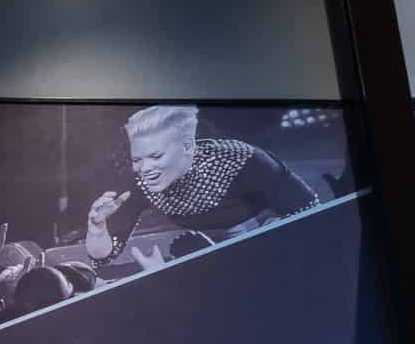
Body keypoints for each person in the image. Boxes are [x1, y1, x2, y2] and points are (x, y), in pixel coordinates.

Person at [82, 104, 317, 268]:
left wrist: (264, 245)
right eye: (137, 159)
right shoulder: (138, 181)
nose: (144, 169)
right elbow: (105, 256)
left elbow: (310, 211)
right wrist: (97, 228)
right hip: (194, 255)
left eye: (156, 156)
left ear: (187, 147)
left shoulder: (244, 160)